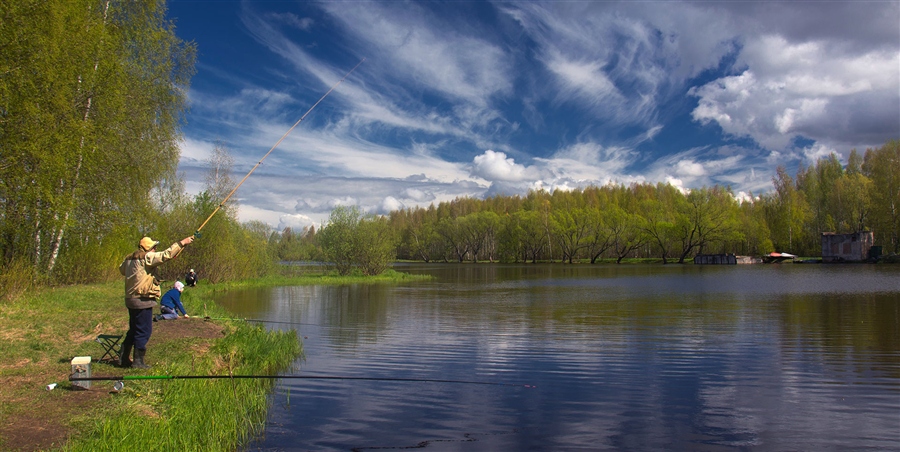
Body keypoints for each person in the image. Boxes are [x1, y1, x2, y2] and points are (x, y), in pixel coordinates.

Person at [118, 235, 193, 368]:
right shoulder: (147, 257)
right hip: (142, 300)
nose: (156, 249)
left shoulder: (129, 259)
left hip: (130, 299)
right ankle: (138, 361)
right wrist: (182, 242)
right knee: (144, 330)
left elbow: (122, 270)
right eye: (154, 247)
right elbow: (166, 255)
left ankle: (123, 357)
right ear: (148, 248)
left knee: (134, 329)